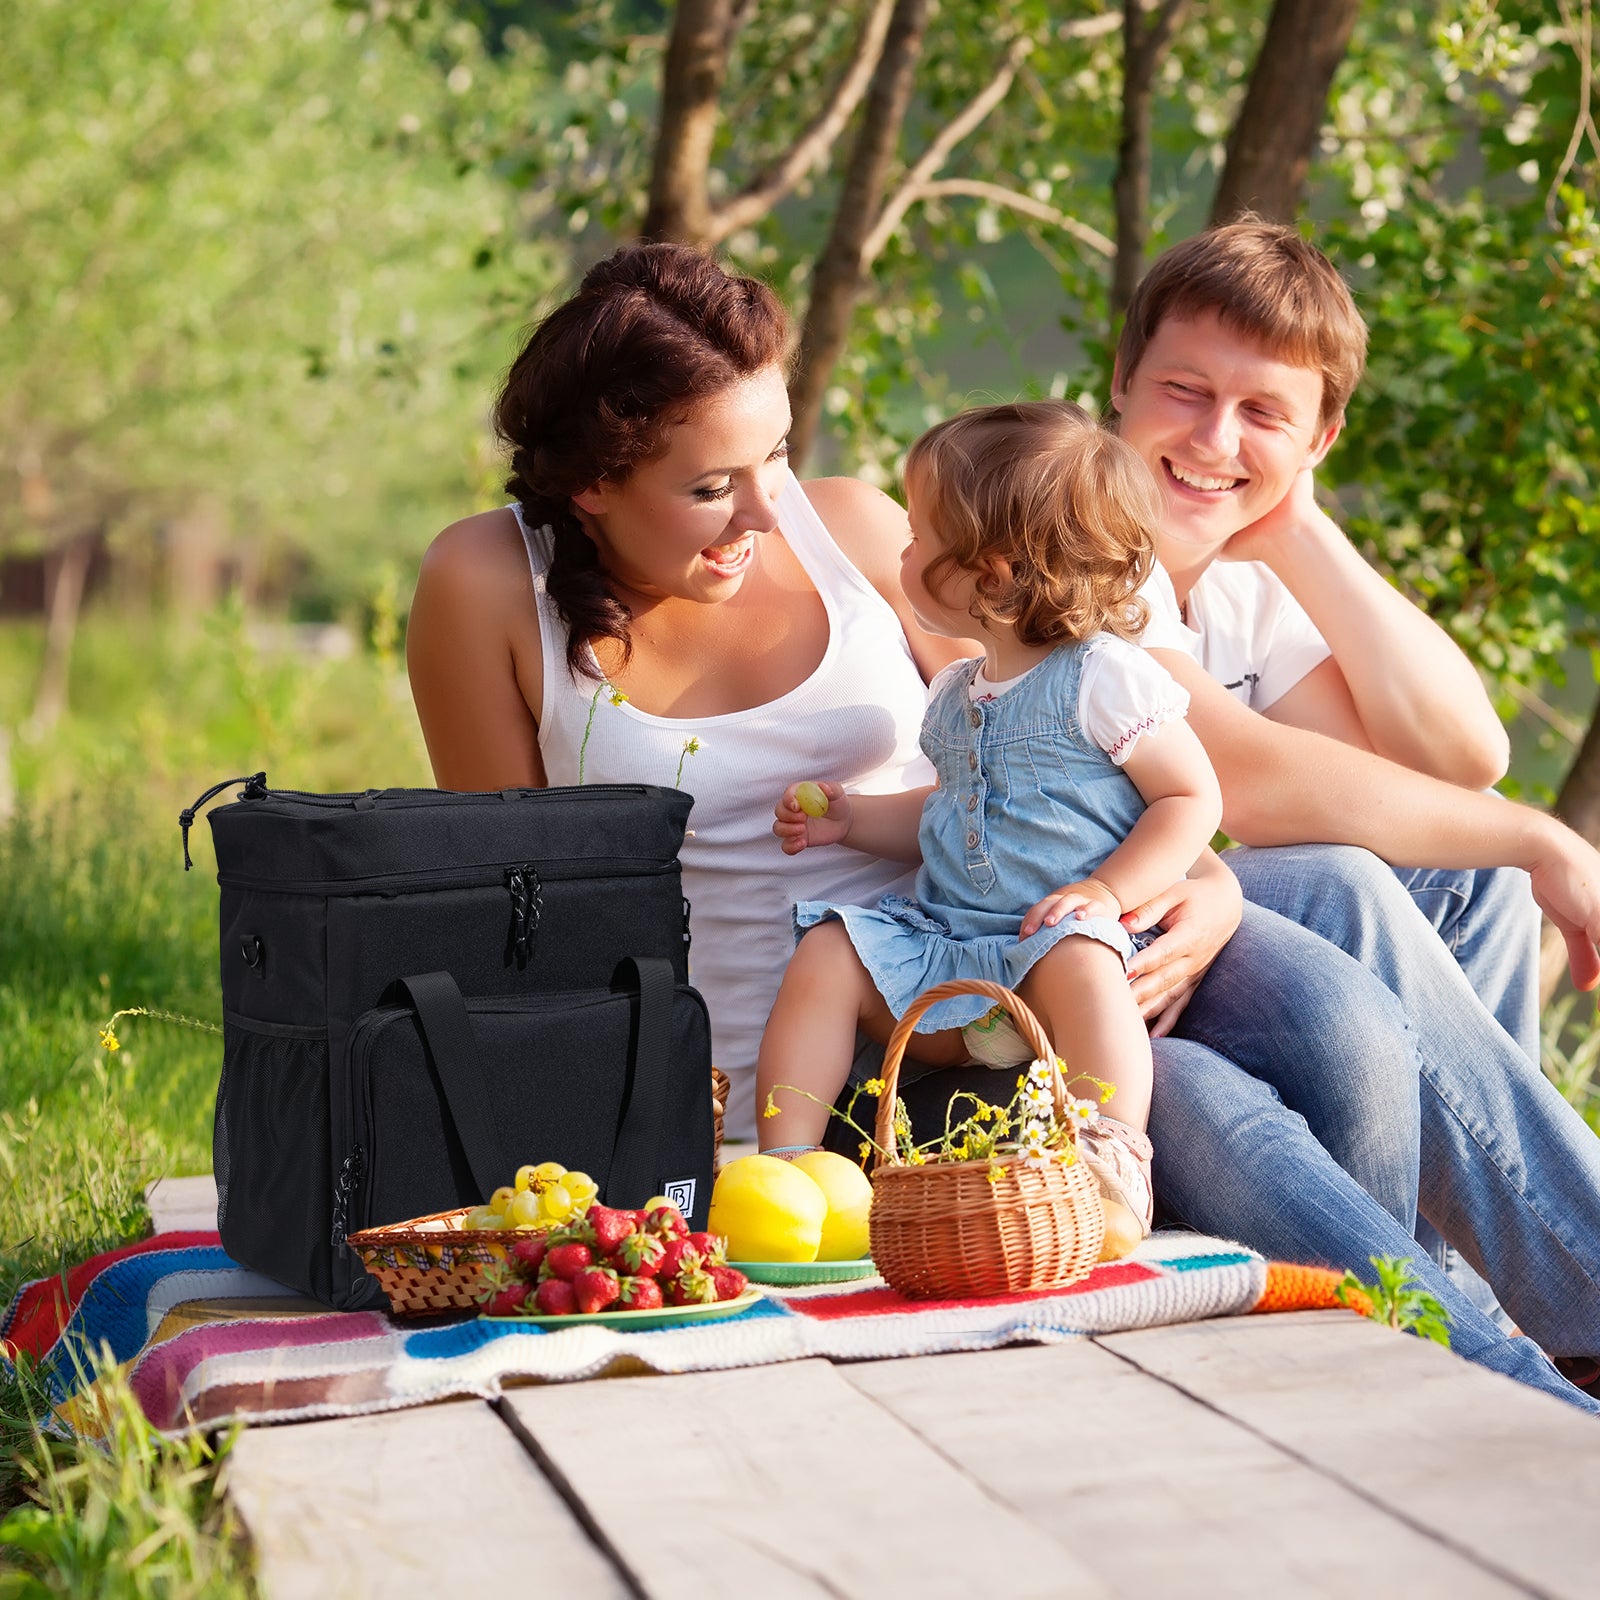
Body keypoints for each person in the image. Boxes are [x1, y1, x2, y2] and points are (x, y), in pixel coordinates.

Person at [405, 240, 1600, 1410]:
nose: (766, 512)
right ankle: (1496, 1378)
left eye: (776, 452)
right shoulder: (487, 584)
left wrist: (1221, 883)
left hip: (1031, 922)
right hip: (873, 1041)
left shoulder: (857, 529)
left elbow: (1094, 738)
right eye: (712, 485)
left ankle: (1558, 1321)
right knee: (1206, 1101)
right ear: (590, 483)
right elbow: (513, 914)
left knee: (1340, 951)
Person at [1105, 219, 1600, 1356]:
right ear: (1121, 379)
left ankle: (1498, 1281)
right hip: (1084, 950)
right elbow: (1249, 780)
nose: (1213, 437)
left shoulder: (1235, 583)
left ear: (1322, 433)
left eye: (1264, 413)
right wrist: (1536, 832)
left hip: (1211, 953)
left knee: (1465, 876)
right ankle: (1576, 1283)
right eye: (1184, 390)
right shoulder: (1069, 530)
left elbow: (1449, 757)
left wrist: (1301, 529)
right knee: (1340, 880)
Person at [755, 401, 1222, 1236]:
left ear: (992, 574)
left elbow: (1192, 798)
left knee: (1079, 957)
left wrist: (1108, 892)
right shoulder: (955, 694)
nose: (900, 551)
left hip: (1052, 956)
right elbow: (949, 817)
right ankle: (788, 1173)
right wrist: (852, 821)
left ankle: (1105, 1155)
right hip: (953, 951)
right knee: (829, 949)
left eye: (918, 539)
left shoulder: (1103, 678)